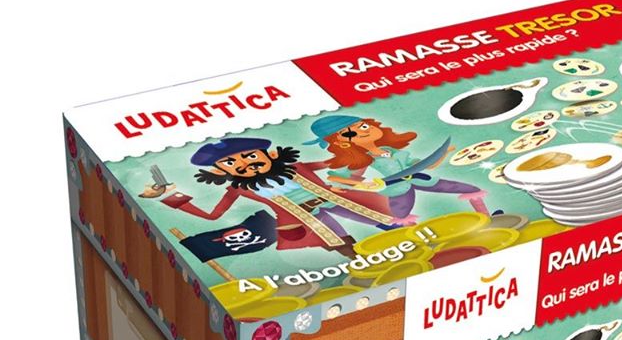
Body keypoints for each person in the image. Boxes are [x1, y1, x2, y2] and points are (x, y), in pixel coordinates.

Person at [154, 136, 399, 256]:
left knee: (383, 219)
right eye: (230, 163)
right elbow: (213, 215)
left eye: (251, 156)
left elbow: (329, 163)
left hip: (339, 200)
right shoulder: (239, 189)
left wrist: (357, 150)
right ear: (220, 171)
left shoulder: (296, 167)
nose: (245, 164)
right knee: (342, 244)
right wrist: (170, 195)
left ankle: (403, 240)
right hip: (303, 221)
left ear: (270, 155)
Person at [305, 114, 488, 223]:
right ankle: (416, 241)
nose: (364, 131)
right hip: (396, 188)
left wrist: (443, 153)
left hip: (420, 178)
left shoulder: (391, 150)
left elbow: (426, 165)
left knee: (468, 189)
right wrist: (361, 184)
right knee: (401, 215)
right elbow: (338, 177)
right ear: (341, 142)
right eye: (352, 132)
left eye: (364, 126)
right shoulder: (364, 159)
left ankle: (485, 217)